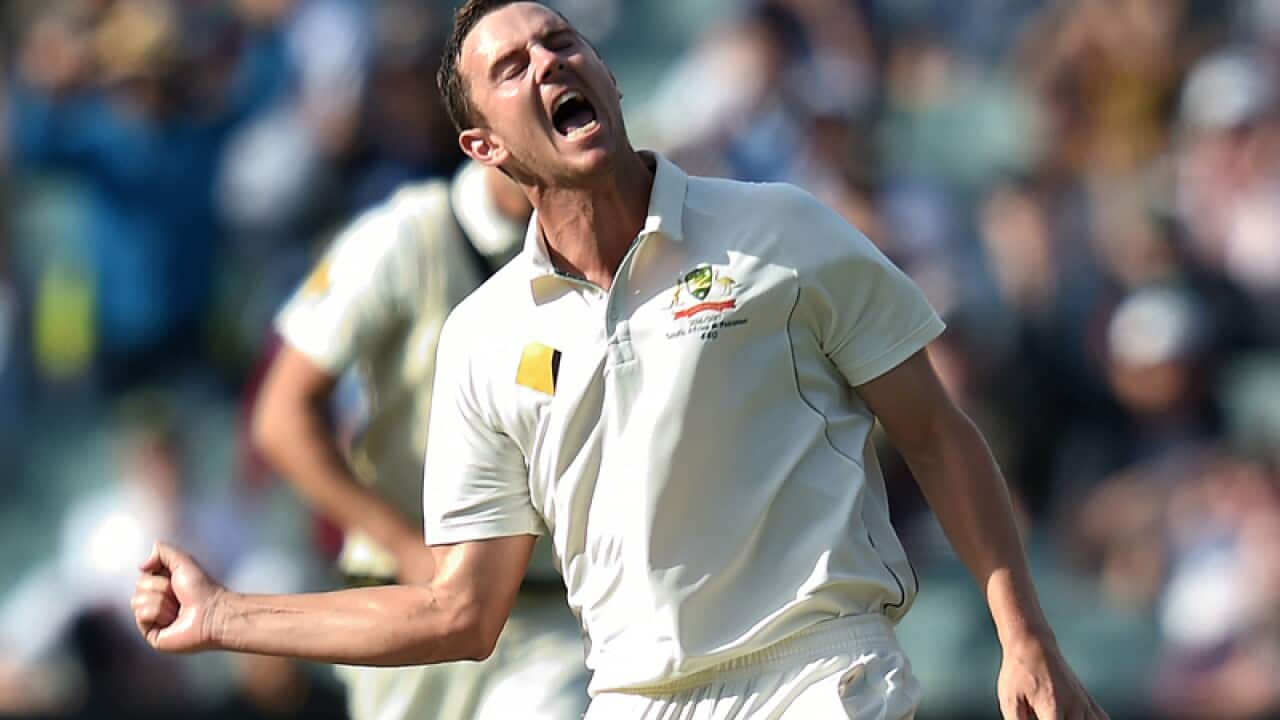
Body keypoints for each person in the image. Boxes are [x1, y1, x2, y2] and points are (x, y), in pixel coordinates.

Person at [131, 2, 1108, 718]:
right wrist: (224, 614)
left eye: (560, 42)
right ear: (482, 146)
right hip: (630, 694)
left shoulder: (782, 230)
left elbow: (937, 436)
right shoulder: (481, 337)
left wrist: (1024, 637)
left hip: (817, 673)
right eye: (509, 67)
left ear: (608, 74)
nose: (547, 63)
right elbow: (460, 612)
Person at [251, 159, 589, 720]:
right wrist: (406, 546)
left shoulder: (611, 239)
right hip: (407, 608)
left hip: (547, 616)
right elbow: (280, 416)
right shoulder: (405, 236)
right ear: (480, 139)